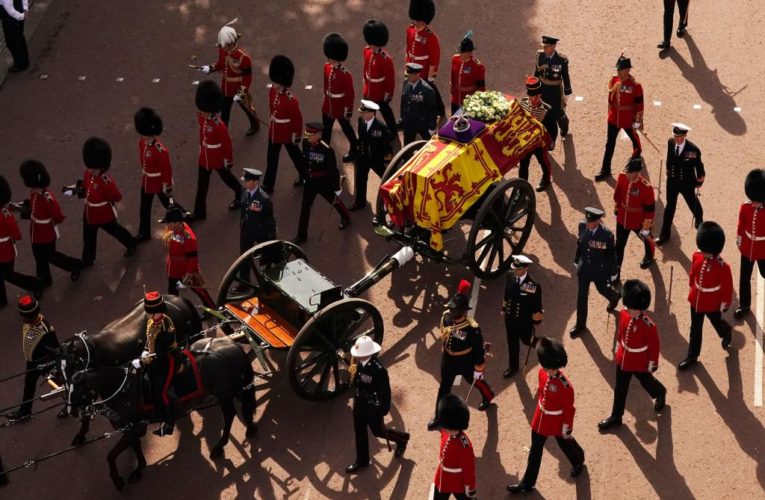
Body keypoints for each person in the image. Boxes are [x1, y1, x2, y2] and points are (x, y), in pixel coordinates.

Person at [507, 337, 585, 493]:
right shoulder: (542, 372)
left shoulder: (565, 386)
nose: (550, 371)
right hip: (541, 417)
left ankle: (578, 460)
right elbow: (542, 393)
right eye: (548, 367)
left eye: (552, 368)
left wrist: (566, 427)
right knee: (535, 449)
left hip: (557, 420)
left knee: (564, 442)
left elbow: (569, 409)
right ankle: (527, 483)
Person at [598, 279, 666, 431]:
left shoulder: (648, 325)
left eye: (633, 308)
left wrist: (652, 363)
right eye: (630, 307)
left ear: (641, 308)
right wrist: (618, 349)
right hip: (623, 360)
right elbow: (621, 333)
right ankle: (616, 416)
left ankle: (660, 392)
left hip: (639, 361)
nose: (630, 310)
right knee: (619, 389)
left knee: (646, 383)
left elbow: (654, 347)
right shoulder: (623, 314)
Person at [428, 279, 494, 431]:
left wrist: (479, 367)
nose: (451, 312)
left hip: (465, 361)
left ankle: (488, 394)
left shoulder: (472, 329)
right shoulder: (446, 317)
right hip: (449, 360)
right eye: (451, 309)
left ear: (464, 312)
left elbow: (478, 349)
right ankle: (439, 417)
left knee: (474, 380)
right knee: (444, 387)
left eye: (454, 310)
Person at [345, 335, 410, 474]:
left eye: (360, 354)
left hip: (372, 408)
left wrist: (382, 410)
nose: (357, 357)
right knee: (359, 432)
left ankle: (402, 439)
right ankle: (362, 461)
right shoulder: (359, 363)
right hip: (359, 405)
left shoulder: (378, 370)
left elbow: (385, 393)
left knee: (379, 432)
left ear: (368, 353)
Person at [67, 137, 136, 267]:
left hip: (103, 214)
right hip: (89, 213)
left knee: (116, 231)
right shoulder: (88, 174)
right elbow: (87, 187)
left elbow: (116, 197)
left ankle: (131, 243)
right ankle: (88, 260)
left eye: (92, 168)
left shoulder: (106, 182)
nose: (89, 170)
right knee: (88, 238)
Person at [679, 221, 734, 370]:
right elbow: (693, 274)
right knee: (695, 329)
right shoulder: (697, 256)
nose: (701, 251)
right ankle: (693, 355)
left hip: (711, 303)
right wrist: (692, 288)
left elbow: (727, 288)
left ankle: (725, 331)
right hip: (696, 300)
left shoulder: (723, 267)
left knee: (717, 323)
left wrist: (724, 305)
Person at [18, 160, 82, 285]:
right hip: (36, 231)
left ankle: (74, 265)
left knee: (51, 256)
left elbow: (57, 215)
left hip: (46, 232)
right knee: (39, 257)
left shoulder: (48, 197)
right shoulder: (35, 194)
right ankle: (44, 280)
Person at [192, 81, 242, 220]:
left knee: (227, 178)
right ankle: (199, 212)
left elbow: (226, 144)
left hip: (217, 157)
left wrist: (228, 160)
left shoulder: (218, 125)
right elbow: (202, 135)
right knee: (202, 185)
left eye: (203, 110)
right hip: (205, 157)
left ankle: (240, 193)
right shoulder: (202, 118)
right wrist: (201, 147)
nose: (201, 112)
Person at [293, 122, 350, 244]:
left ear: (318, 135)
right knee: (305, 207)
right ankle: (302, 234)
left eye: (310, 135)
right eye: (307, 134)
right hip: (310, 182)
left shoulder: (327, 150)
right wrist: (304, 176)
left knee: (334, 201)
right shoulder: (305, 143)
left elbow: (332, 170)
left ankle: (346, 217)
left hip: (323, 182)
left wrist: (336, 186)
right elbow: (306, 161)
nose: (308, 137)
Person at [6, 295, 61, 421]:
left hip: (46, 364)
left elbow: (56, 349)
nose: (22, 318)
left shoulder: (46, 330)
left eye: (24, 316)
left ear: (31, 316)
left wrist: (51, 364)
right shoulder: (29, 324)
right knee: (29, 385)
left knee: (59, 386)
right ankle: (25, 411)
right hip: (32, 363)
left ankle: (71, 405)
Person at [199, 22, 260, 135]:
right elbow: (221, 64)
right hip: (226, 88)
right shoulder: (223, 49)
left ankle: (255, 125)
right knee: (225, 111)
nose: (222, 47)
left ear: (231, 44)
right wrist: (211, 68)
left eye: (224, 45)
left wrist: (241, 92)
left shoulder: (243, 58)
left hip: (239, 88)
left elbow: (247, 78)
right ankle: (223, 132)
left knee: (248, 109)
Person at [132, 291, 179, 437]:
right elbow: (149, 340)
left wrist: (143, 360)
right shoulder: (151, 321)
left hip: (167, 360)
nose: (150, 315)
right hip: (154, 359)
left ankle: (170, 423)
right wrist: (144, 352)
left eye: (152, 312)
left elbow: (161, 351)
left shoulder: (166, 324)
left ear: (158, 311)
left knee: (161, 393)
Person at [570, 207, 621, 338]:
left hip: (599, 270)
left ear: (598, 221)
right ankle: (580, 325)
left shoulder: (607, 235)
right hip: (584, 269)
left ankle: (614, 297)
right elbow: (580, 243)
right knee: (581, 296)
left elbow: (611, 254)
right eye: (587, 220)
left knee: (602, 289)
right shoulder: (582, 226)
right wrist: (577, 260)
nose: (587, 223)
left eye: (590, 221)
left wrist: (614, 271)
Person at [595, 56, 643, 182]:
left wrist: (638, 121)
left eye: (620, 69)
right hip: (614, 119)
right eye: (618, 69)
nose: (618, 72)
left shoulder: (635, 86)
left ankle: (636, 164)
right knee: (609, 144)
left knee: (636, 144)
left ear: (627, 70)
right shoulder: (614, 81)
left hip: (628, 120)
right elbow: (610, 100)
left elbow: (639, 105)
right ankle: (605, 169)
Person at [655, 123, 705, 245]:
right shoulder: (670, 142)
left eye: (679, 136)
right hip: (672, 182)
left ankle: (699, 219)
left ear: (685, 135)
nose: (676, 139)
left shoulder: (693, 150)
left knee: (692, 203)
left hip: (687, 183)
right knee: (669, 208)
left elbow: (699, 167)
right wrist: (668, 172)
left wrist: (700, 180)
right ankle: (664, 235)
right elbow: (669, 159)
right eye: (675, 136)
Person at [263, 55, 305, 194]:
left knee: (296, 156)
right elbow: (271, 108)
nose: (275, 86)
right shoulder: (271, 92)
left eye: (278, 84)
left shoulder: (291, 100)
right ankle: (268, 185)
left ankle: (305, 176)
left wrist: (296, 136)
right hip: (275, 132)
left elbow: (297, 120)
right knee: (271, 160)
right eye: (274, 82)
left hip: (287, 133)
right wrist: (272, 121)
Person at [160, 205, 216, 309]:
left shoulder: (189, 238)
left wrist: (186, 279)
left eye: (169, 223)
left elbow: (192, 260)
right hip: (173, 269)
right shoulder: (174, 229)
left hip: (186, 269)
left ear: (177, 223)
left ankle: (212, 308)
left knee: (200, 291)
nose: (167, 225)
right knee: (172, 292)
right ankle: (174, 310)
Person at [0, 175, 41, 307]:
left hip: (5, 250)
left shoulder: (5, 215)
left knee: (8, 275)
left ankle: (35, 283)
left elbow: (17, 235)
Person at [133, 107, 173, 242]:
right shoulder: (142, 143)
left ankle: (183, 217)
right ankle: (144, 233)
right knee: (144, 209)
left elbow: (166, 170)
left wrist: (167, 186)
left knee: (169, 204)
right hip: (147, 181)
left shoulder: (160, 150)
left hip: (158, 182)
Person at [502, 255, 543, 378]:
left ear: (525, 268)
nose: (515, 271)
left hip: (524, 322)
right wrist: (503, 308)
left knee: (527, 340)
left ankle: (545, 345)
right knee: (512, 344)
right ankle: (513, 367)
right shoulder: (510, 276)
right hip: (510, 319)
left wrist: (537, 321)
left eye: (517, 269)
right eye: (514, 268)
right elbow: (506, 294)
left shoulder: (534, 285)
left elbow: (537, 307)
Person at [613, 156, 656, 272]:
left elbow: (650, 210)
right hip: (623, 218)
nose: (627, 175)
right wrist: (617, 206)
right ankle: (616, 272)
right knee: (619, 245)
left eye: (630, 173)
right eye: (627, 172)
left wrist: (646, 226)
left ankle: (649, 256)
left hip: (638, 220)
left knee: (646, 239)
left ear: (637, 172)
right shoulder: (622, 176)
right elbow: (617, 194)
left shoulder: (646, 188)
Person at [432, 394, 477, 499]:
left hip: (458, 483)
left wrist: (470, 488)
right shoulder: (445, 431)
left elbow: (469, 470)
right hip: (442, 479)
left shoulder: (464, 446)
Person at [322, 33, 358, 163]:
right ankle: (324, 154)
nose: (330, 60)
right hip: (328, 106)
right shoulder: (326, 67)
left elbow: (349, 94)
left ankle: (355, 148)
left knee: (347, 129)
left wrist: (348, 110)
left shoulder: (345, 74)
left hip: (340, 107)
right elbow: (326, 85)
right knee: (325, 132)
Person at [405, 0, 444, 120]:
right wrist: (407, 66)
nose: (414, 22)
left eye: (417, 20)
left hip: (424, 70)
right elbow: (409, 50)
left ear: (423, 20)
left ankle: (440, 111)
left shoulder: (430, 37)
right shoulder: (410, 30)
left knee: (430, 90)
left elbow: (434, 58)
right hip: (412, 68)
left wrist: (431, 77)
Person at [352, 100, 393, 211]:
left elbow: (386, 143)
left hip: (376, 158)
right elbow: (361, 139)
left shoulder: (380, 127)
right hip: (363, 157)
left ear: (372, 113)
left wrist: (388, 156)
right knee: (360, 180)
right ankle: (360, 202)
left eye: (364, 113)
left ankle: (391, 202)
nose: (362, 115)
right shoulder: (361, 121)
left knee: (386, 178)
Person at [735, 169, 765, 319]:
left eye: (756, 200)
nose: (753, 202)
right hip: (747, 248)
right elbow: (741, 225)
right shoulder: (746, 206)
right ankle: (744, 305)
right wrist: (739, 240)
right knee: (744, 278)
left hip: (763, 250)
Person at [533, 35, 572, 150]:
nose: (545, 48)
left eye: (547, 46)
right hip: (543, 90)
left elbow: (565, 76)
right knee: (543, 113)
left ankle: (564, 126)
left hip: (555, 92)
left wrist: (567, 92)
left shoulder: (561, 60)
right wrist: (535, 90)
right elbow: (537, 73)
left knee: (558, 114)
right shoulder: (540, 56)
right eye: (544, 46)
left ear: (554, 46)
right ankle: (548, 139)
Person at [518, 76, 555, 192]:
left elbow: (553, 129)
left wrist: (550, 143)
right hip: (526, 142)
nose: (529, 98)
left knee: (543, 162)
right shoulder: (523, 103)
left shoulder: (546, 110)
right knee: (523, 165)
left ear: (539, 95)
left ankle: (546, 179)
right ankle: (522, 190)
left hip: (539, 143)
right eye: (529, 95)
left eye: (532, 95)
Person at [238, 168, 276, 282]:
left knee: (266, 257)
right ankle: (244, 282)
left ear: (255, 181)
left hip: (260, 231)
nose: (246, 182)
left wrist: (271, 237)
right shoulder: (245, 193)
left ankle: (268, 280)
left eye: (248, 180)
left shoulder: (264, 199)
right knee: (244, 257)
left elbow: (270, 219)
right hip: (247, 230)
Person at [362, 19, 397, 136]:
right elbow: (366, 70)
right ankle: (370, 132)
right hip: (369, 91)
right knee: (368, 114)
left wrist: (388, 94)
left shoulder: (385, 59)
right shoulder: (367, 52)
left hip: (380, 93)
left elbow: (390, 80)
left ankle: (392, 131)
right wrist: (365, 84)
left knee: (386, 112)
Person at [400, 63, 438, 145]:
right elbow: (403, 102)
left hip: (422, 124)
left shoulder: (427, 90)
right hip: (408, 123)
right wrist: (402, 118)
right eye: (407, 75)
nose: (408, 77)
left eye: (411, 75)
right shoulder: (406, 82)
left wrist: (432, 127)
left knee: (427, 146)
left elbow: (433, 109)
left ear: (418, 74)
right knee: (407, 147)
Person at [449, 31, 485, 115]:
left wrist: (477, 104)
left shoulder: (477, 66)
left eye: (463, 53)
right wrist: (452, 89)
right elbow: (453, 76)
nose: (460, 54)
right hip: (456, 99)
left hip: (469, 102)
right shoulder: (455, 59)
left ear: (469, 53)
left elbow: (481, 88)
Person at [0, 0, 29, 72]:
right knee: (19, 37)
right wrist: (25, 8)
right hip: (18, 12)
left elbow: (9, 10)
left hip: (11, 19)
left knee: (11, 42)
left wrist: (21, 16)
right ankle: (24, 60)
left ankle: (21, 64)